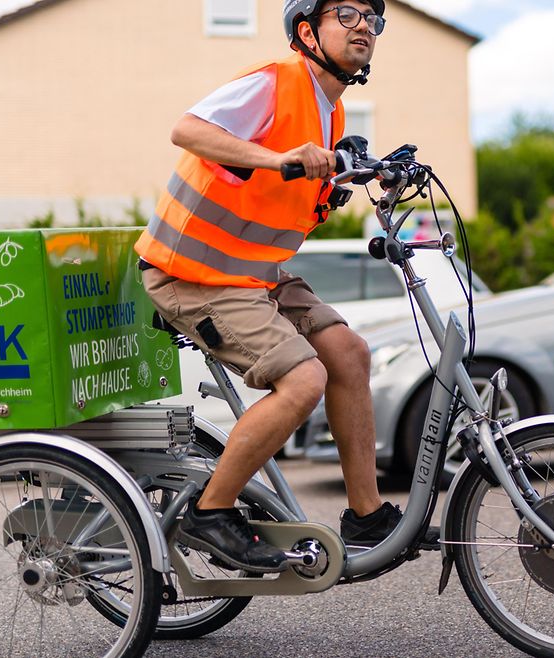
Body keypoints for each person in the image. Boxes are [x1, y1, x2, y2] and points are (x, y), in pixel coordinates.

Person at [134, 0, 396, 574]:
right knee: (305, 379)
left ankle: (366, 516)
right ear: (308, 30)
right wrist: (278, 160)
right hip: (194, 273)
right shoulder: (275, 83)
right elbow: (187, 129)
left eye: (372, 21)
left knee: (349, 352)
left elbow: (289, 201)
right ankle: (211, 511)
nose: (364, 28)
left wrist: (359, 175)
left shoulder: (334, 112)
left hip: (251, 275)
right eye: (347, 14)